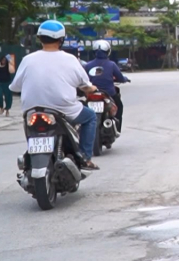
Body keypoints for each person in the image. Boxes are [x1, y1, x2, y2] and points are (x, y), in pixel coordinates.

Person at [9, 20, 101, 170]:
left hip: (31, 110)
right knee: (90, 117)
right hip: (64, 110)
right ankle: (85, 157)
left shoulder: (27, 60)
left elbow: (15, 86)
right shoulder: (70, 59)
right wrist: (91, 88)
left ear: (39, 38)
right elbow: (85, 85)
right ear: (61, 39)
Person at [84, 40, 131, 132]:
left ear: (94, 52)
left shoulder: (87, 65)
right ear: (108, 52)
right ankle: (117, 129)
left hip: (91, 93)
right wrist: (125, 79)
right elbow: (120, 78)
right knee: (119, 106)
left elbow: (82, 79)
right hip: (108, 93)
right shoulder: (112, 64)